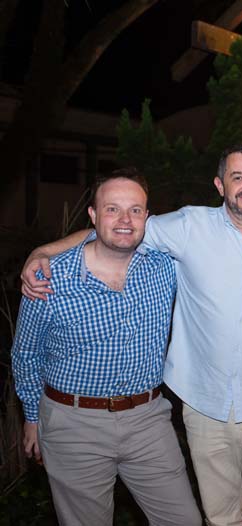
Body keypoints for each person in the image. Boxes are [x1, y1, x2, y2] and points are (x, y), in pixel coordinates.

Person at [21, 144, 242, 526]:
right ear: (219, 185)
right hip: (192, 406)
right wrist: (42, 251)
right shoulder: (187, 229)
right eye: (237, 177)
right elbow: (115, 232)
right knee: (220, 519)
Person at [12, 169, 202, 526]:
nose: (125, 220)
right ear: (93, 215)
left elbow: (223, 231)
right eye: (112, 209)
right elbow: (26, 354)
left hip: (148, 420)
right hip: (72, 422)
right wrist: (32, 418)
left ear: (147, 217)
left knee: (184, 520)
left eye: (135, 210)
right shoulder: (49, 278)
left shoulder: (164, 266)